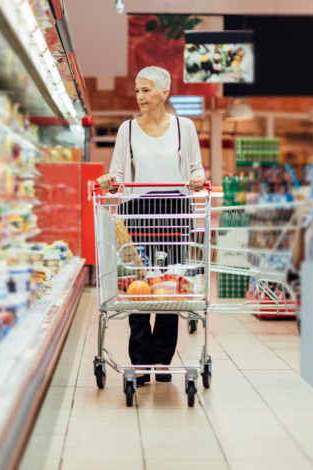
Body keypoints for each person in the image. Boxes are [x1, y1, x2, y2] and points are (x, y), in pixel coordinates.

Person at [96, 66, 206, 386]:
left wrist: (197, 179)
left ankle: (162, 358)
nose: (140, 96)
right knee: (138, 285)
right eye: (137, 90)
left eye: (146, 90)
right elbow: (117, 174)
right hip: (138, 211)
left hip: (175, 210)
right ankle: (140, 360)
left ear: (164, 93)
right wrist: (109, 181)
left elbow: (196, 168)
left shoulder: (185, 127)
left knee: (169, 286)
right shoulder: (127, 129)